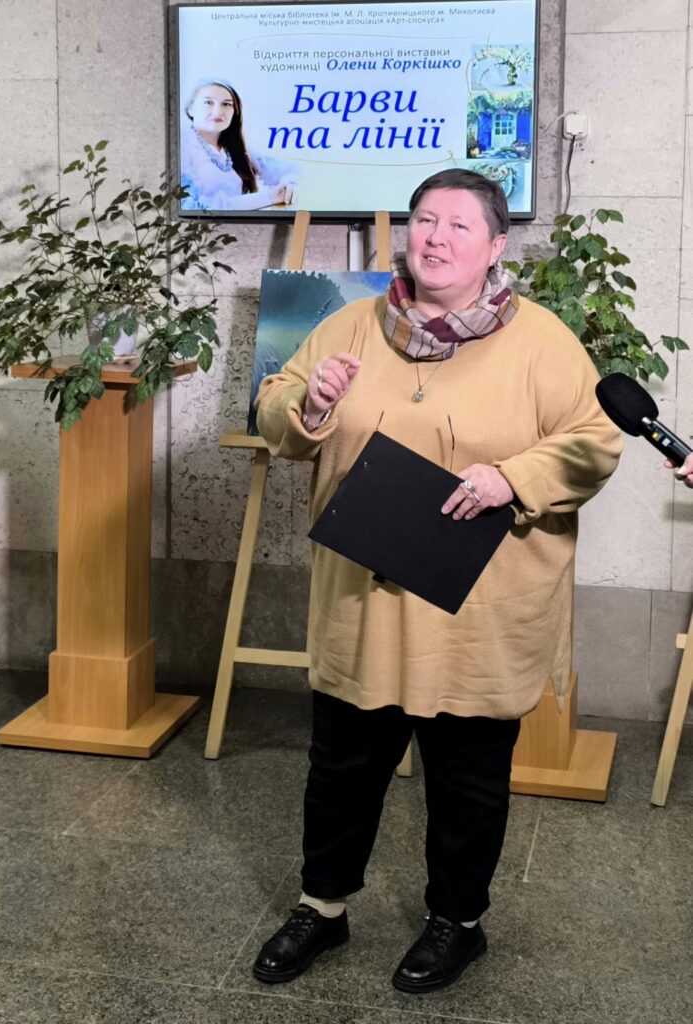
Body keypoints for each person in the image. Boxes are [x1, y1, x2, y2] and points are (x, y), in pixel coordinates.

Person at [252, 169, 622, 993]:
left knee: (467, 778)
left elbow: (595, 440)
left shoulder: (543, 340)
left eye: (459, 225)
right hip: (365, 597)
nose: (436, 237)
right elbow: (278, 408)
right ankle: (322, 906)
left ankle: (458, 921)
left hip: (477, 607)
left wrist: (514, 477)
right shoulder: (351, 323)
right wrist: (309, 404)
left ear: (495, 246)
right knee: (342, 766)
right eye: (425, 220)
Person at [180, 79, 297, 212]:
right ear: (191, 109)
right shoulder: (180, 148)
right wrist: (269, 197)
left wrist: (290, 183)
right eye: (208, 103)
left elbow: (287, 169)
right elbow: (198, 207)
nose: (218, 112)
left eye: (226, 104)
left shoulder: (231, 147)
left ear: (234, 112)